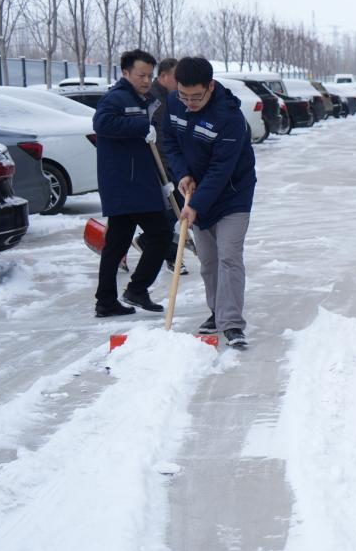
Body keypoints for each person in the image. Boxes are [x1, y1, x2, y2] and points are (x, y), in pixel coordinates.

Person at [159, 57, 257, 349]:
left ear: (211, 87)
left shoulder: (229, 118)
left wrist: (195, 204)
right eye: (183, 95)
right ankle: (217, 312)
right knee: (209, 261)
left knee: (228, 256)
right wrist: (183, 174)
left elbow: (220, 169)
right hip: (197, 193)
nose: (189, 102)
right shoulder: (175, 104)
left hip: (232, 195)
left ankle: (232, 324)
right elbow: (170, 142)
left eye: (196, 97)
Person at [92, 49, 173, 318]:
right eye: (141, 75)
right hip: (126, 183)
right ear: (125, 73)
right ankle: (136, 289)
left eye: (150, 75)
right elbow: (102, 124)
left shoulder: (145, 99)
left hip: (138, 181)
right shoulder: (116, 98)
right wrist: (140, 125)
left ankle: (107, 300)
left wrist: (163, 180)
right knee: (160, 234)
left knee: (117, 243)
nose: (147, 80)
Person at [141, 57, 186, 274]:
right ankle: (168, 254)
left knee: (170, 213)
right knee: (170, 210)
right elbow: (159, 141)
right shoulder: (157, 101)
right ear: (164, 77)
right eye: (177, 78)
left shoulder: (170, 97)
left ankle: (165, 250)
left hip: (169, 165)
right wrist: (169, 171)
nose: (180, 82)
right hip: (161, 168)